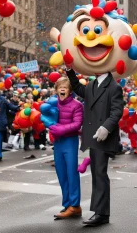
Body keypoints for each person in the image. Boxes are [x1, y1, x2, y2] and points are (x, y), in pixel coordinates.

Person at [67, 68, 123, 226]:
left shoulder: (114, 87)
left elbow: (117, 111)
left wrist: (106, 127)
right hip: (93, 134)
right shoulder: (92, 84)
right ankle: (100, 212)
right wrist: (70, 71)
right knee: (97, 173)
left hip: (103, 135)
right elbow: (79, 89)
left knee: (100, 173)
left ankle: (102, 214)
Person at [49, 77, 83, 219]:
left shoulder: (77, 105)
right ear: (56, 89)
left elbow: (77, 123)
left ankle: (75, 206)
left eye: (65, 87)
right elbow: (47, 118)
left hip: (70, 141)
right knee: (61, 173)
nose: (62, 89)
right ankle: (67, 204)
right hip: (58, 142)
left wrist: (61, 129)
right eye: (60, 86)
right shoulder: (52, 103)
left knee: (71, 173)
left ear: (70, 90)